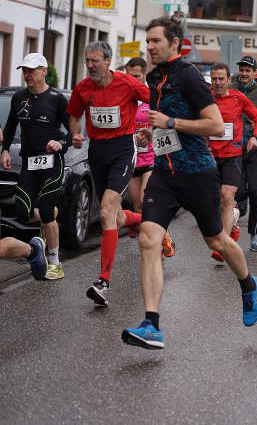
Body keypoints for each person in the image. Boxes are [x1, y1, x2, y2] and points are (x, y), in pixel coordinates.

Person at [121, 16, 257, 350]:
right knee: (148, 238)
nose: (150, 45)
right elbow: (166, 126)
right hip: (165, 173)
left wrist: (171, 121)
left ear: (174, 43)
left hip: (198, 172)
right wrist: (152, 132)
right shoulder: (155, 77)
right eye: (148, 40)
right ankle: (151, 323)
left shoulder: (189, 78)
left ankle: (248, 285)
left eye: (156, 40)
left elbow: (214, 126)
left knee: (216, 241)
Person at [67, 42, 149, 305]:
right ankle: (146, 220)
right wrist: (75, 133)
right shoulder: (82, 88)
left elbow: (156, 101)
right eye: (87, 61)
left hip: (123, 150)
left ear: (108, 60)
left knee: (104, 212)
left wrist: (151, 129)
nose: (90, 66)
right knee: (114, 215)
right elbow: (73, 114)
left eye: (95, 61)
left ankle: (103, 282)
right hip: (97, 152)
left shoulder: (128, 84)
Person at [1, 53, 71, 280]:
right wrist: (4, 149)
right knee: (22, 210)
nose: (27, 75)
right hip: (30, 162)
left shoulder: (57, 99)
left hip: (52, 161)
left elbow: (71, 133)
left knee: (47, 207)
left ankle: (55, 262)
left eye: (31, 70)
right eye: (24, 70)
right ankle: (46, 220)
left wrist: (59, 143)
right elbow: (11, 126)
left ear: (43, 70)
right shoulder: (19, 97)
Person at [208, 62, 257, 258]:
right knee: (214, 200)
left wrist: (255, 137)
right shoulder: (205, 98)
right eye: (214, 79)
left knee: (227, 196)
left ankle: (222, 246)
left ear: (229, 79)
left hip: (232, 156)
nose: (217, 83)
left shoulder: (238, 98)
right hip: (209, 157)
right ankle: (232, 224)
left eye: (221, 79)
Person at [124, 58, 176, 257]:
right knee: (137, 205)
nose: (132, 79)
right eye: (129, 75)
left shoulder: (152, 97)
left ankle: (161, 243)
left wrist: (151, 136)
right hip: (130, 159)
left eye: (136, 76)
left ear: (144, 75)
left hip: (152, 159)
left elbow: (166, 126)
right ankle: (152, 243)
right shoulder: (123, 98)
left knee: (148, 201)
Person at [230, 55, 257, 250]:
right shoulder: (231, 89)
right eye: (242, 69)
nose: (244, 73)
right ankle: (234, 221)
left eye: (248, 70)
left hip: (255, 147)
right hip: (234, 147)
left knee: (256, 191)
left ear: (254, 73)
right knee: (238, 191)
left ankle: (254, 235)